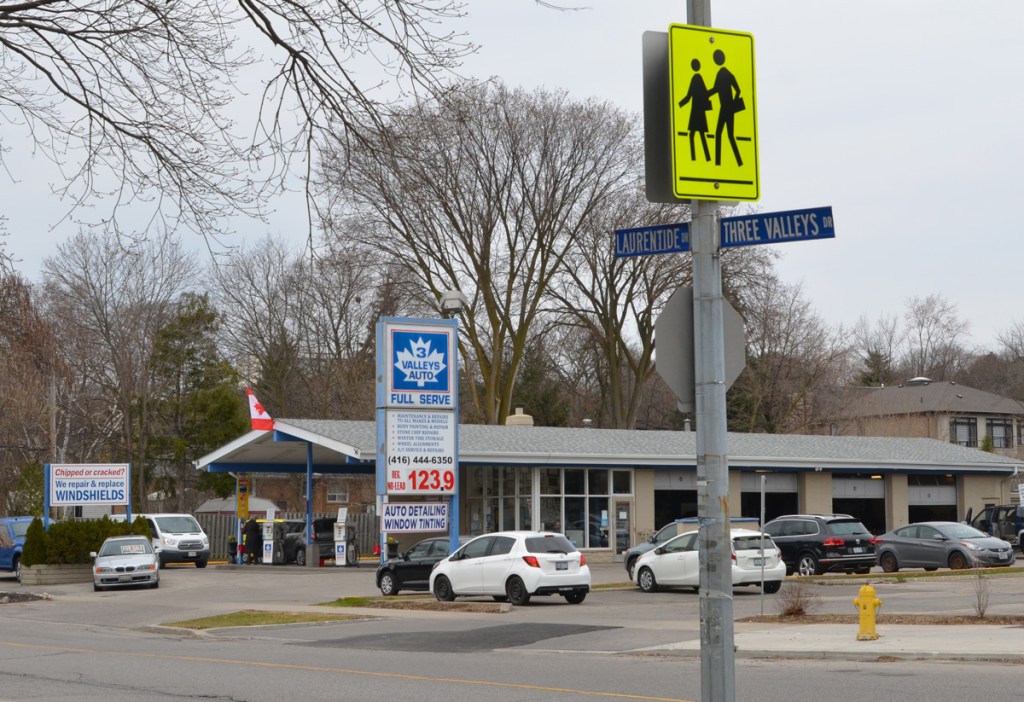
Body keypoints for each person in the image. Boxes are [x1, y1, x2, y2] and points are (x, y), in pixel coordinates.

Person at [708, 49, 744, 167]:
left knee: (720, 133)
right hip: (727, 108)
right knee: (728, 135)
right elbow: (737, 90)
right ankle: (738, 162)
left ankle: (718, 162)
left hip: (725, 108)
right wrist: (732, 103)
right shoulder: (726, 73)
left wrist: (705, 94)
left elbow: (716, 89)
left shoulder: (722, 74)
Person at [677, 58, 712, 162]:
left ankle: (695, 157)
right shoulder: (698, 78)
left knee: (693, 135)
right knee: (699, 134)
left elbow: (689, 96)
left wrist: (679, 105)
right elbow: (704, 94)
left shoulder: (696, 79)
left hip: (696, 111)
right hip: (698, 110)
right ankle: (705, 157)